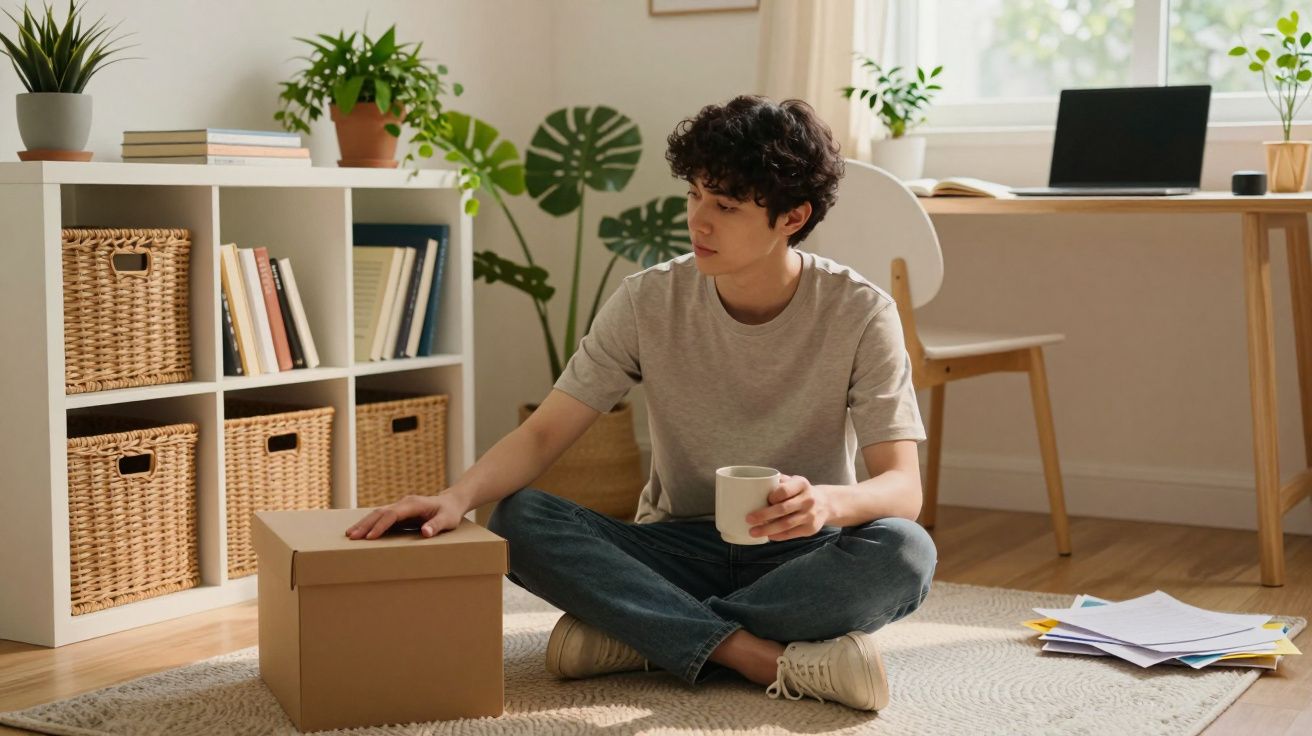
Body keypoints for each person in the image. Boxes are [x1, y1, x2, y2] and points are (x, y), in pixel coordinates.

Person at [346, 95, 937, 712]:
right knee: (519, 520)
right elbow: (545, 434)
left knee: (905, 551)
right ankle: (754, 654)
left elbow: (902, 488)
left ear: (792, 216)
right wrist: (455, 497)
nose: (698, 221)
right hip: (674, 549)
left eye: (726, 206)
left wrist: (827, 503)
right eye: (695, 195)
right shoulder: (648, 301)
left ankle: (644, 635)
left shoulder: (861, 312)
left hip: (799, 555)